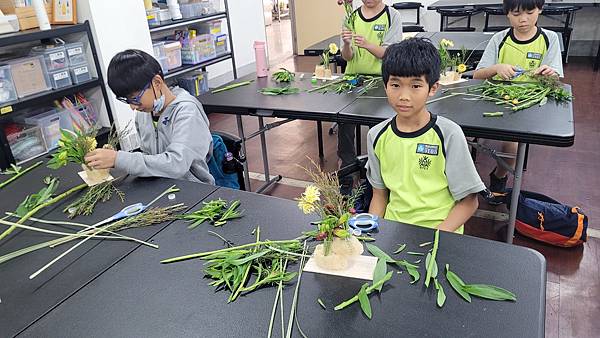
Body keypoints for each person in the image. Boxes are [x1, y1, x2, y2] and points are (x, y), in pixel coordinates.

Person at [366, 38, 486, 233]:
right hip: (393, 230)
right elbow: (379, 196)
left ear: (433, 88)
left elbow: (469, 202)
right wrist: (372, 232)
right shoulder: (376, 135)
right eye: (395, 85)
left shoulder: (449, 134)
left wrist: (434, 237)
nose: (404, 96)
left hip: (440, 232)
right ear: (385, 85)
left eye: (415, 86)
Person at [474, 0, 563, 201]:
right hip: (496, 98)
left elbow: (555, 77)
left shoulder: (550, 39)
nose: (523, 19)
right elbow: (478, 75)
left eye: (529, 12)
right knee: (462, 135)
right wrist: (496, 68)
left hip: (528, 104)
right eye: (515, 14)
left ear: (540, 9)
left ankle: (499, 176)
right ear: (507, 14)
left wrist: (549, 73)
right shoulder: (500, 39)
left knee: (512, 145)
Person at [84, 49, 215, 184]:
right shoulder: (145, 114)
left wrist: (118, 159)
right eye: (127, 101)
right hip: (159, 184)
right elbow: (148, 156)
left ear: (157, 83)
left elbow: (177, 165)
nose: (133, 107)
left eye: (134, 98)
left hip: (193, 189)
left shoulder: (187, 112)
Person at [338, 0, 402, 192]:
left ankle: (377, 172)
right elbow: (346, 57)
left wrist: (367, 44)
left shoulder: (392, 16)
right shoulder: (350, 16)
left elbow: (390, 53)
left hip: (380, 81)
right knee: (345, 123)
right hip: (352, 80)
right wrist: (347, 44)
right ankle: (347, 169)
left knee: (379, 128)